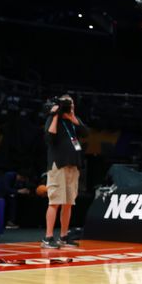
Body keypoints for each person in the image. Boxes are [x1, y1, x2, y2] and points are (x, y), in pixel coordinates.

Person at [43, 95, 87, 249]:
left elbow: (86, 132)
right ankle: (48, 237)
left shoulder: (73, 120)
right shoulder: (53, 118)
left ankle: (63, 236)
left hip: (73, 166)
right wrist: (55, 115)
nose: (70, 106)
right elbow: (49, 138)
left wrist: (73, 116)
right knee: (55, 201)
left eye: (72, 103)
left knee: (68, 203)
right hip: (58, 165)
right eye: (67, 104)